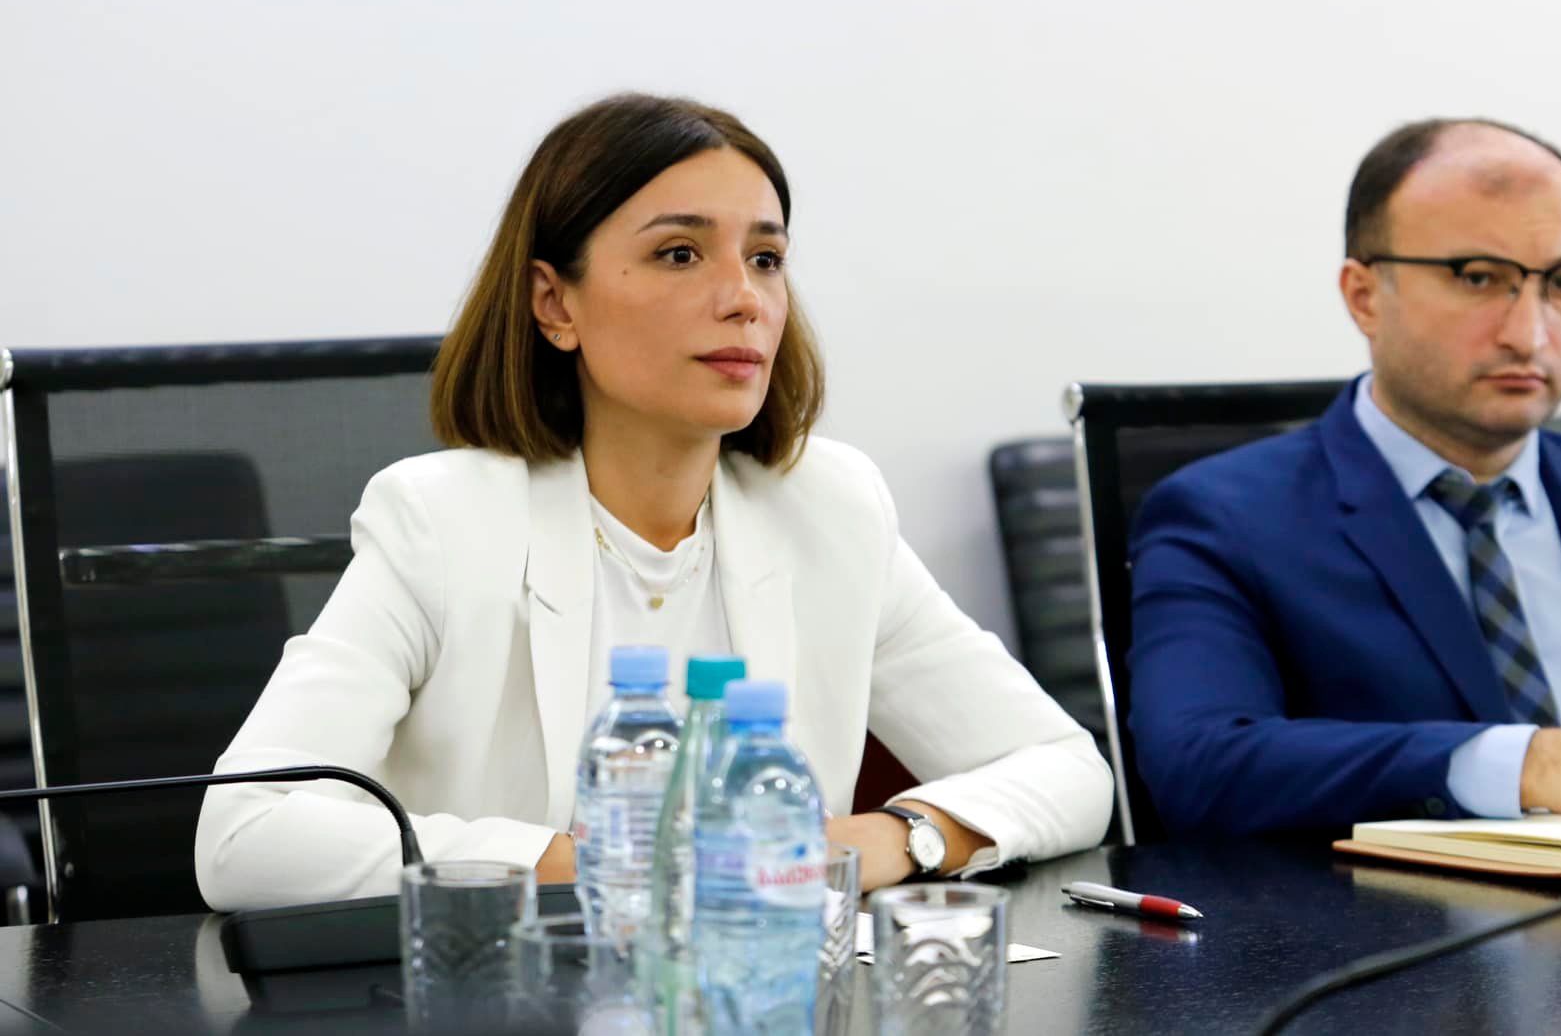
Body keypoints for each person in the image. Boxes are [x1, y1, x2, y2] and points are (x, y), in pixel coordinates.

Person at [195, 94, 1112, 910]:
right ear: (554, 304)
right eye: (679, 253)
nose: (743, 299)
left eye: (766, 258)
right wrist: (607, 867)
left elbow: (1068, 770)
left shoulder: (831, 507)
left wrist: (896, 837)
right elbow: (246, 836)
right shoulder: (440, 522)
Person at [1126, 117, 1561, 836]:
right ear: (1365, 295)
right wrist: (1538, 765)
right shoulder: (1222, 517)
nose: (1530, 334)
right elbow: (1199, 763)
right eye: (1479, 278)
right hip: (1400, 907)